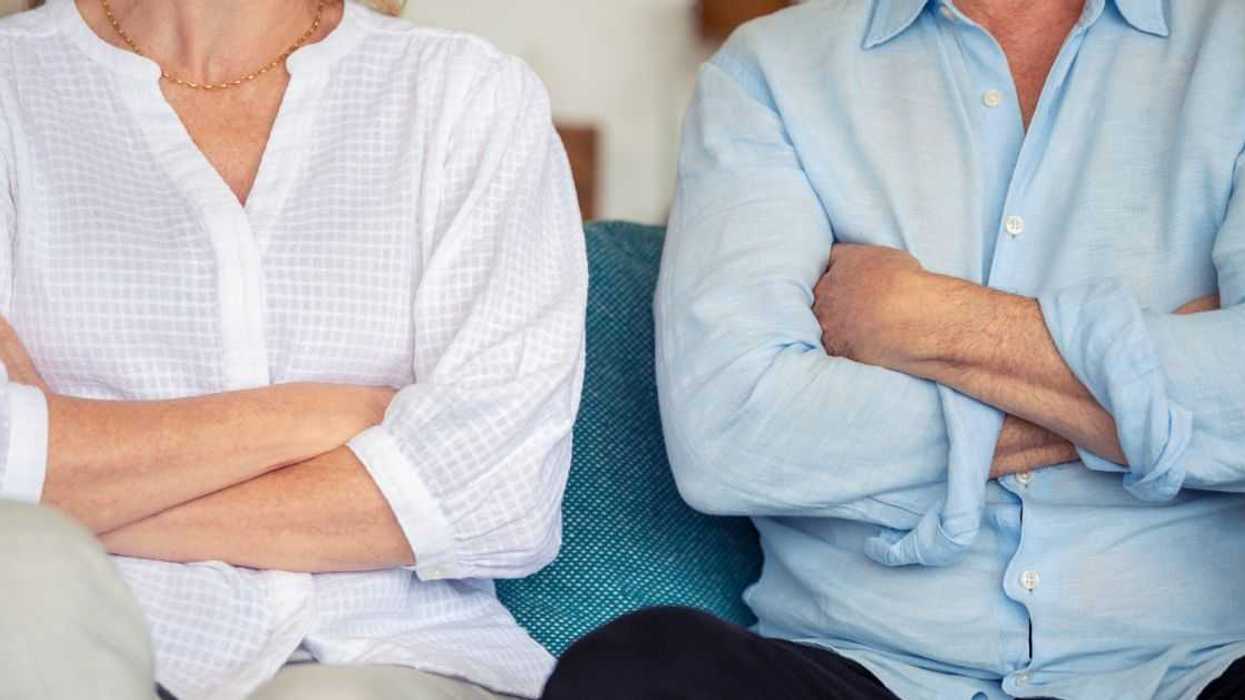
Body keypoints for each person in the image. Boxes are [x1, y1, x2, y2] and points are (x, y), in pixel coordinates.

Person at [542, 0, 1245, 698]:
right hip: (866, 667)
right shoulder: (770, 72)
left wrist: (919, 319)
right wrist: (1154, 384)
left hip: (1200, 665)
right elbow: (731, 432)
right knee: (636, 672)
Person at [0, 0, 586, 698]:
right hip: (59, 638)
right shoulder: (15, 83)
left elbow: (494, 496)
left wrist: (75, 481)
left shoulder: (464, 94)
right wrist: (321, 416)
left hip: (382, 656)